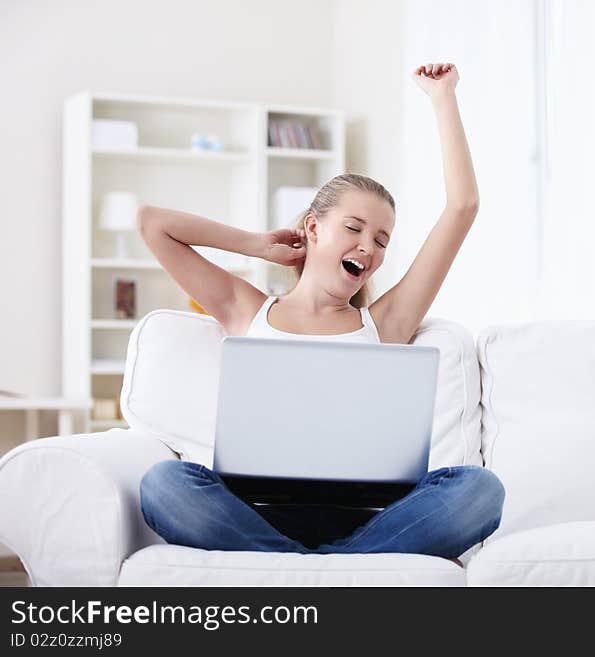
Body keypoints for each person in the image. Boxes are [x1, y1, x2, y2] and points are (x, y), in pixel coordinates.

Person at [137, 62, 504, 564]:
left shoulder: (385, 322)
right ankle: (332, 570)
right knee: (165, 483)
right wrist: (254, 244)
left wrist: (443, 97)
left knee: (478, 489)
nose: (368, 248)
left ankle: (295, 568)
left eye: (380, 240)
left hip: (370, 517)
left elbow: (462, 206)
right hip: (254, 510)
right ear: (312, 228)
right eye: (353, 229)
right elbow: (153, 223)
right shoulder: (249, 308)